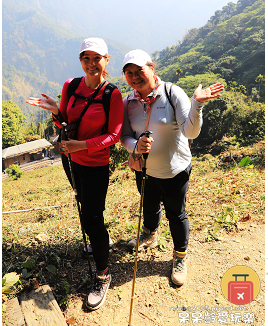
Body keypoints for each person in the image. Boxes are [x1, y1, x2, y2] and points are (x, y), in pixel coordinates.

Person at [27, 37, 123, 311]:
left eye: (97, 58)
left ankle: (103, 275)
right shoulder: (70, 85)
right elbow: (66, 122)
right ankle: (97, 244)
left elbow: (114, 135)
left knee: (93, 218)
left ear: (106, 60)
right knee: (84, 207)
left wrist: (82, 145)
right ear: (80, 60)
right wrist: (56, 110)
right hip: (72, 161)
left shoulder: (111, 94)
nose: (91, 64)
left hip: (95, 164)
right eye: (86, 58)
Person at [120, 49, 223, 287]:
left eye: (140, 71)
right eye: (129, 73)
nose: (135, 77)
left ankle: (179, 257)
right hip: (144, 169)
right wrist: (135, 144)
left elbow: (191, 132)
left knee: (176, 214)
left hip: (174, 170)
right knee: (148, 203)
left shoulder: (171, 92)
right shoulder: (128, 102)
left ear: (152, 68)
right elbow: (124, 135)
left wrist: (197, 103)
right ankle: (149, 234)